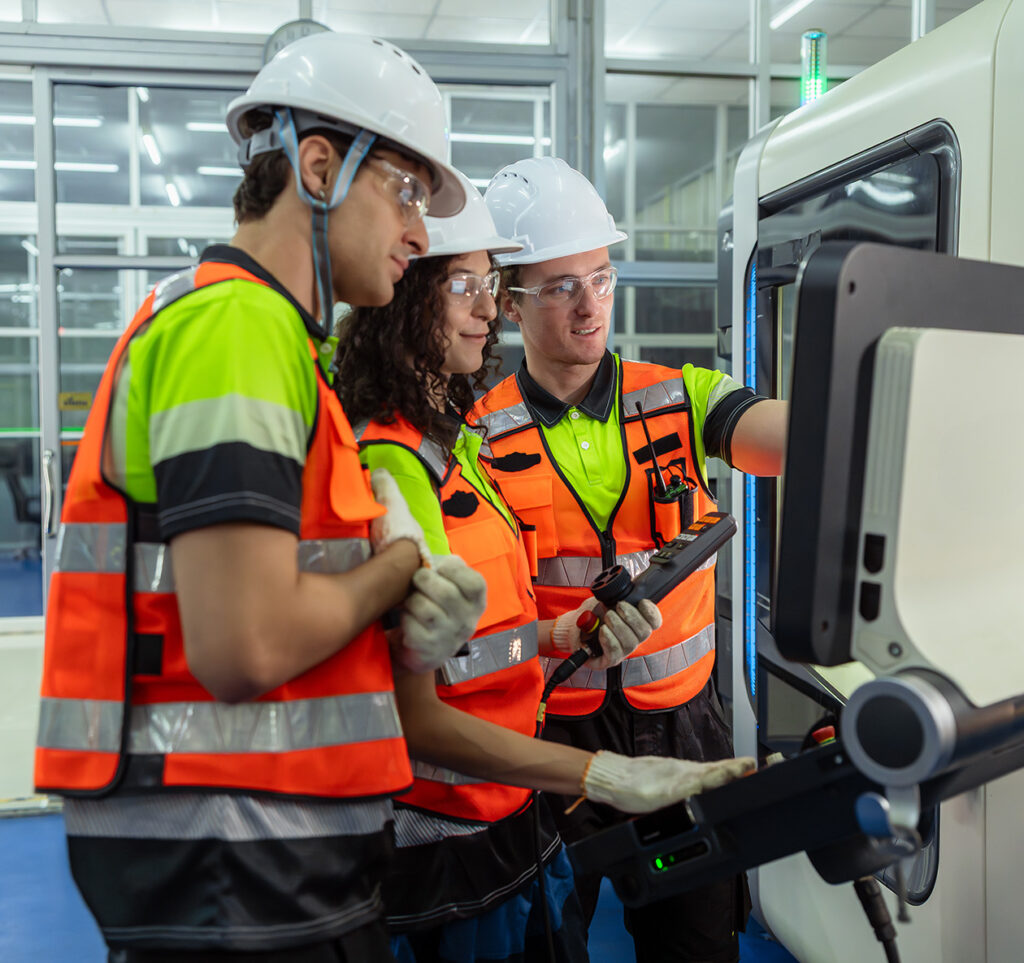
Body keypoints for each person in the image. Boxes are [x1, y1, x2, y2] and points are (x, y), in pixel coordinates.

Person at [33, 32, 491, 963]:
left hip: (254, 861)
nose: (419, 232)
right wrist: (398, 564)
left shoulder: (278, 346)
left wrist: (400, 614)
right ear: (318, 167)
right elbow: (246, 645)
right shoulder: (237, 329)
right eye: (403, 191)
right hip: (233, 864)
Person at [334, 172, 756, 963]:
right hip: (484, 799)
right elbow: (419, 700)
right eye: (469, 286)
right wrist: (596, 772)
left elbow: (483, 637)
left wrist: (558, 629)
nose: (486, 308)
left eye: (600, 278)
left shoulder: (457, 444)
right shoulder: (426, 451)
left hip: (584, 764)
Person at [473, 156, 788, 963]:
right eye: (559, 287)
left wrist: (857, 412)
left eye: (601, 277)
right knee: (546, 943)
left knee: (695, 942)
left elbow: (773, 432)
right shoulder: (477, 435)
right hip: (554, 739)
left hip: (683, 727)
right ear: (509, 302)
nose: (589, 306)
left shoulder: (680, 394)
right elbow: (480, 622)